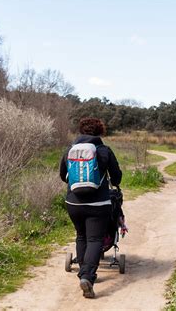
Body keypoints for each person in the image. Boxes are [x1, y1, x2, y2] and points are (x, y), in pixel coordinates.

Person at [59, 117, 122, 298]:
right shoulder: (104, 150)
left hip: (73, 203)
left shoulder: (70, 150)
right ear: (100, 131)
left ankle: (83, 273)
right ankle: (87, 276)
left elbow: (63, 175)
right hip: (98, 204)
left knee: (81, 236)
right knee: (95, 240)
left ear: (81, 131)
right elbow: (116, 177)